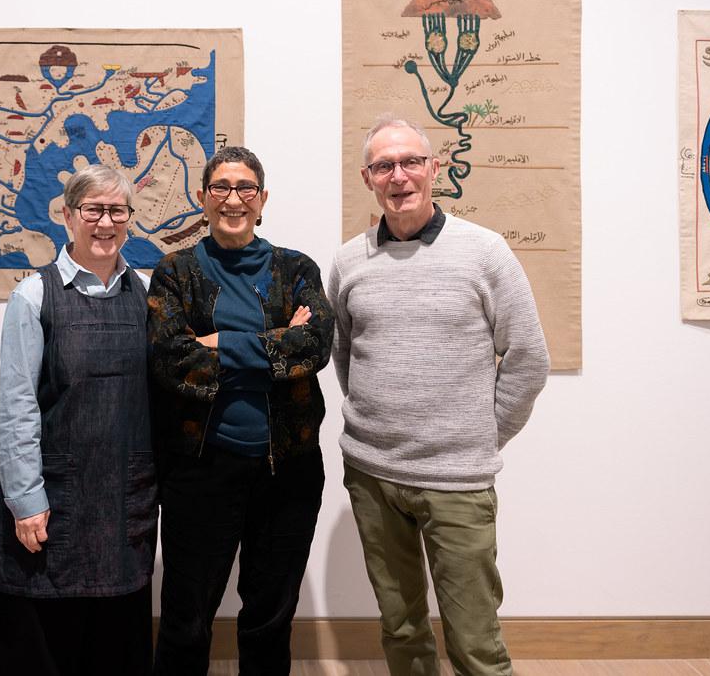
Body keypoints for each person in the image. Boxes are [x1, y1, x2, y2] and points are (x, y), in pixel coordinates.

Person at [327, 115, 550, 676]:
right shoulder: (349, 260)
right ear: (367, 178)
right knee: (401, 629)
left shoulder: (485, 251)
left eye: (410, 162)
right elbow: (345, 355)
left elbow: (528, 359)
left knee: (475, 643)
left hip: (458, 481)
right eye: (383, 166)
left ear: (434, 169)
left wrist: (481, 434)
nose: (398, 176)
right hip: (372, 474)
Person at [148, 146, 334, 675]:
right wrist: (275, 342)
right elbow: (171, 361)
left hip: (288, 470)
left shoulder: (296, 269)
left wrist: (216, 342)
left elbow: (314, 346)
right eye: (221, 187)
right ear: (203, 198)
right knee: (187, 618)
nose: (234, 199)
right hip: (200, 468)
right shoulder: (175, 272)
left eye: (245, 188)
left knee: (270, 618)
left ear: (262, 198)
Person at [0, 164, 157, 676]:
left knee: (113, 645)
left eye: (117, 211)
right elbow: (17, 407)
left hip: (125, 496)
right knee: (43, 644)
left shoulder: (147, 295)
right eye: (93, 210)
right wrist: (25, 499)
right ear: (67, 216)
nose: (106, 223)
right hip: (54, 498)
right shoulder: (33, 296)